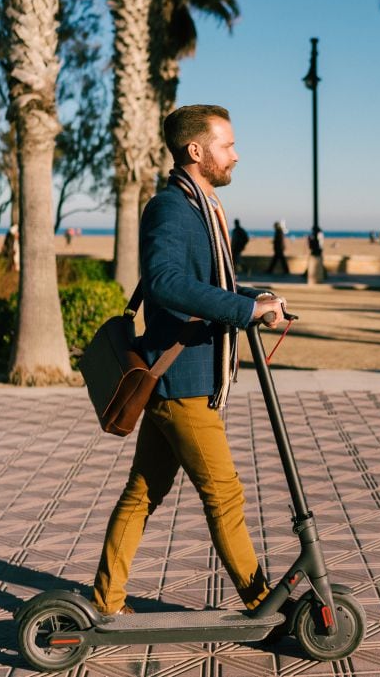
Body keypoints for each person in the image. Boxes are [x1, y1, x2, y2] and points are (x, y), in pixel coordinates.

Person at [90, 104, 287, 617]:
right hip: (182, 382)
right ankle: (261, 602)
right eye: (228, 145)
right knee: (225, 496)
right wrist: (244, 309)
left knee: (141, 495)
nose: (236, 155)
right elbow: (165, 282)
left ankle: (107, 601)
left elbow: (207, 283)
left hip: (176, 379)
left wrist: (257, 298)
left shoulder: (200, 205)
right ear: (196, 150)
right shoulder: (172, 208)